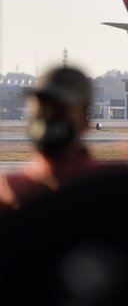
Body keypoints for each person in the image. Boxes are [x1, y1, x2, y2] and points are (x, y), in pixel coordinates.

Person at [0, 66, 112, 211]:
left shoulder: (113, 186)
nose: (48, 118)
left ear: (85, 121)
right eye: (42, 109)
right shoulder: (9, 190)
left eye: (60, 110)